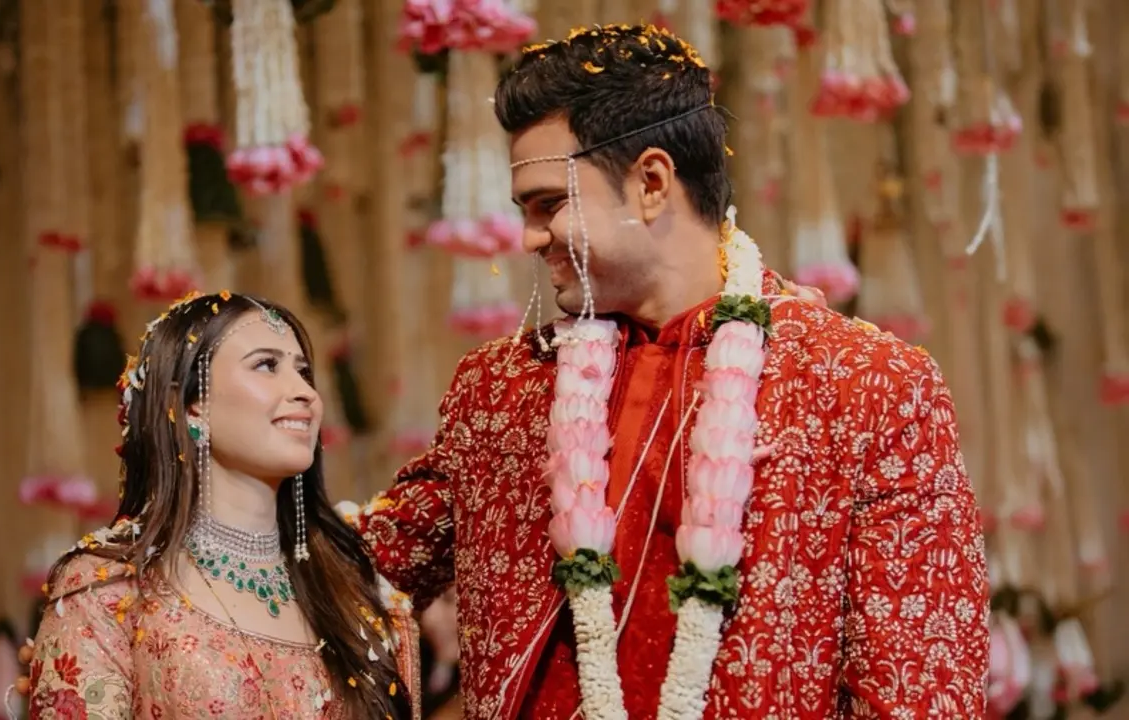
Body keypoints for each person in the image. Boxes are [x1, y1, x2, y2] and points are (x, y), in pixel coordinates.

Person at [341, 23, 990, 719]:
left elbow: (919, 690)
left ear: (651, 183)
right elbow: (357, 569)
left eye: (549, 204)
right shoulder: (501, 390)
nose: (529, 237)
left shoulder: (862, 383)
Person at [20, 292, 419, 718]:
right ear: (192, 407)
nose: (304, 392)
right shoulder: (111, 593)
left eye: (304, 372)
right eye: (266, 365)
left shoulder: (360, 596)